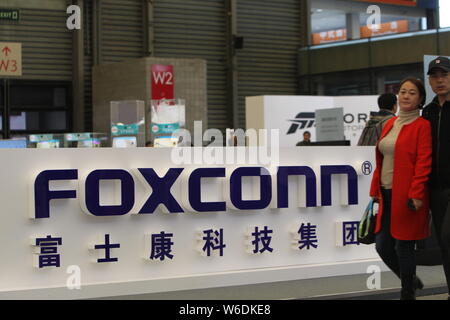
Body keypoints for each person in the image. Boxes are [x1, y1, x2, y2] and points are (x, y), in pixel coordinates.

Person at [370, 77, 432, 300]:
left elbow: (424, 162)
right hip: (385, 194)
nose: (405, 96)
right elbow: (381, 159)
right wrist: (375, 191)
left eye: (412, 93)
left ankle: (407, 292)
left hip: (407, 195)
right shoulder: (389, 124)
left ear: (421, 99)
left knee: (404, 246)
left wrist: (416, 194)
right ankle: (411, 279)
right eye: (403, 91)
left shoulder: (422, 126)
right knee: (382, 246)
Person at [421, 56, 450, 299]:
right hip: (435, 189)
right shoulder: (427, 112)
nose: (439, 80)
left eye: (444, 75)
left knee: (449, 236)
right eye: (434, 76)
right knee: (443, 242)